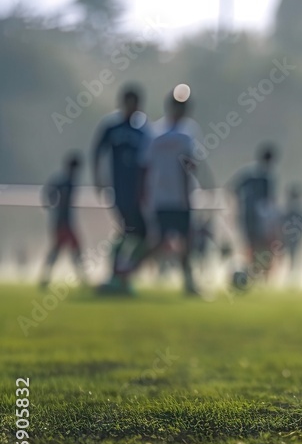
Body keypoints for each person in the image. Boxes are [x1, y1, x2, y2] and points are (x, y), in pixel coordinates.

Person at [125, 93, 199, 295]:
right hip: (165, 197)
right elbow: (146, 166)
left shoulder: (183, 132)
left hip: (175, 197)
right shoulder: (160, 134)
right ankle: (127, 271)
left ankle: (189, 283)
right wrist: (143, 194)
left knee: (185, 240)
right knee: (159, 240)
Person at [92, 85, 151, 288]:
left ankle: (122, 272)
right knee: (131, 229)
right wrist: (98, 179)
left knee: (138, 232)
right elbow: (97, 153)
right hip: (120, 189)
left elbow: (149, 161)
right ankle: (118, 274)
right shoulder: (112, 127)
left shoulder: (143, 129)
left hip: (138, 191)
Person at [230, 143, 278, 280]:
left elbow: (234, 189)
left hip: (246, 215)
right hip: (259, 217)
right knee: (262, 245)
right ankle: (258, 272)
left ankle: (254, 270)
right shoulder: (266, 177)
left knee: (251, 245)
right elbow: (269, 201)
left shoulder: (248, 173)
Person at [39, 152, 87, 288]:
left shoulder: (66, 181)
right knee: (68, 250)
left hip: (64, 222)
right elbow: (48, 192)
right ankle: (81, 278)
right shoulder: (65, 182)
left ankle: (46, 278)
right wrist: (50, 204)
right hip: (63, 223)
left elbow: (47, 191)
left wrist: (49, 204)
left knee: (67, 250)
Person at [283, 184, 302, 286]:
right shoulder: (296, 208)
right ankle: (291, 275)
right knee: (292, 256)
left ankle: (291, 276)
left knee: (292, 256)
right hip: (292, 235)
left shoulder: (292, 208)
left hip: (291, 235)